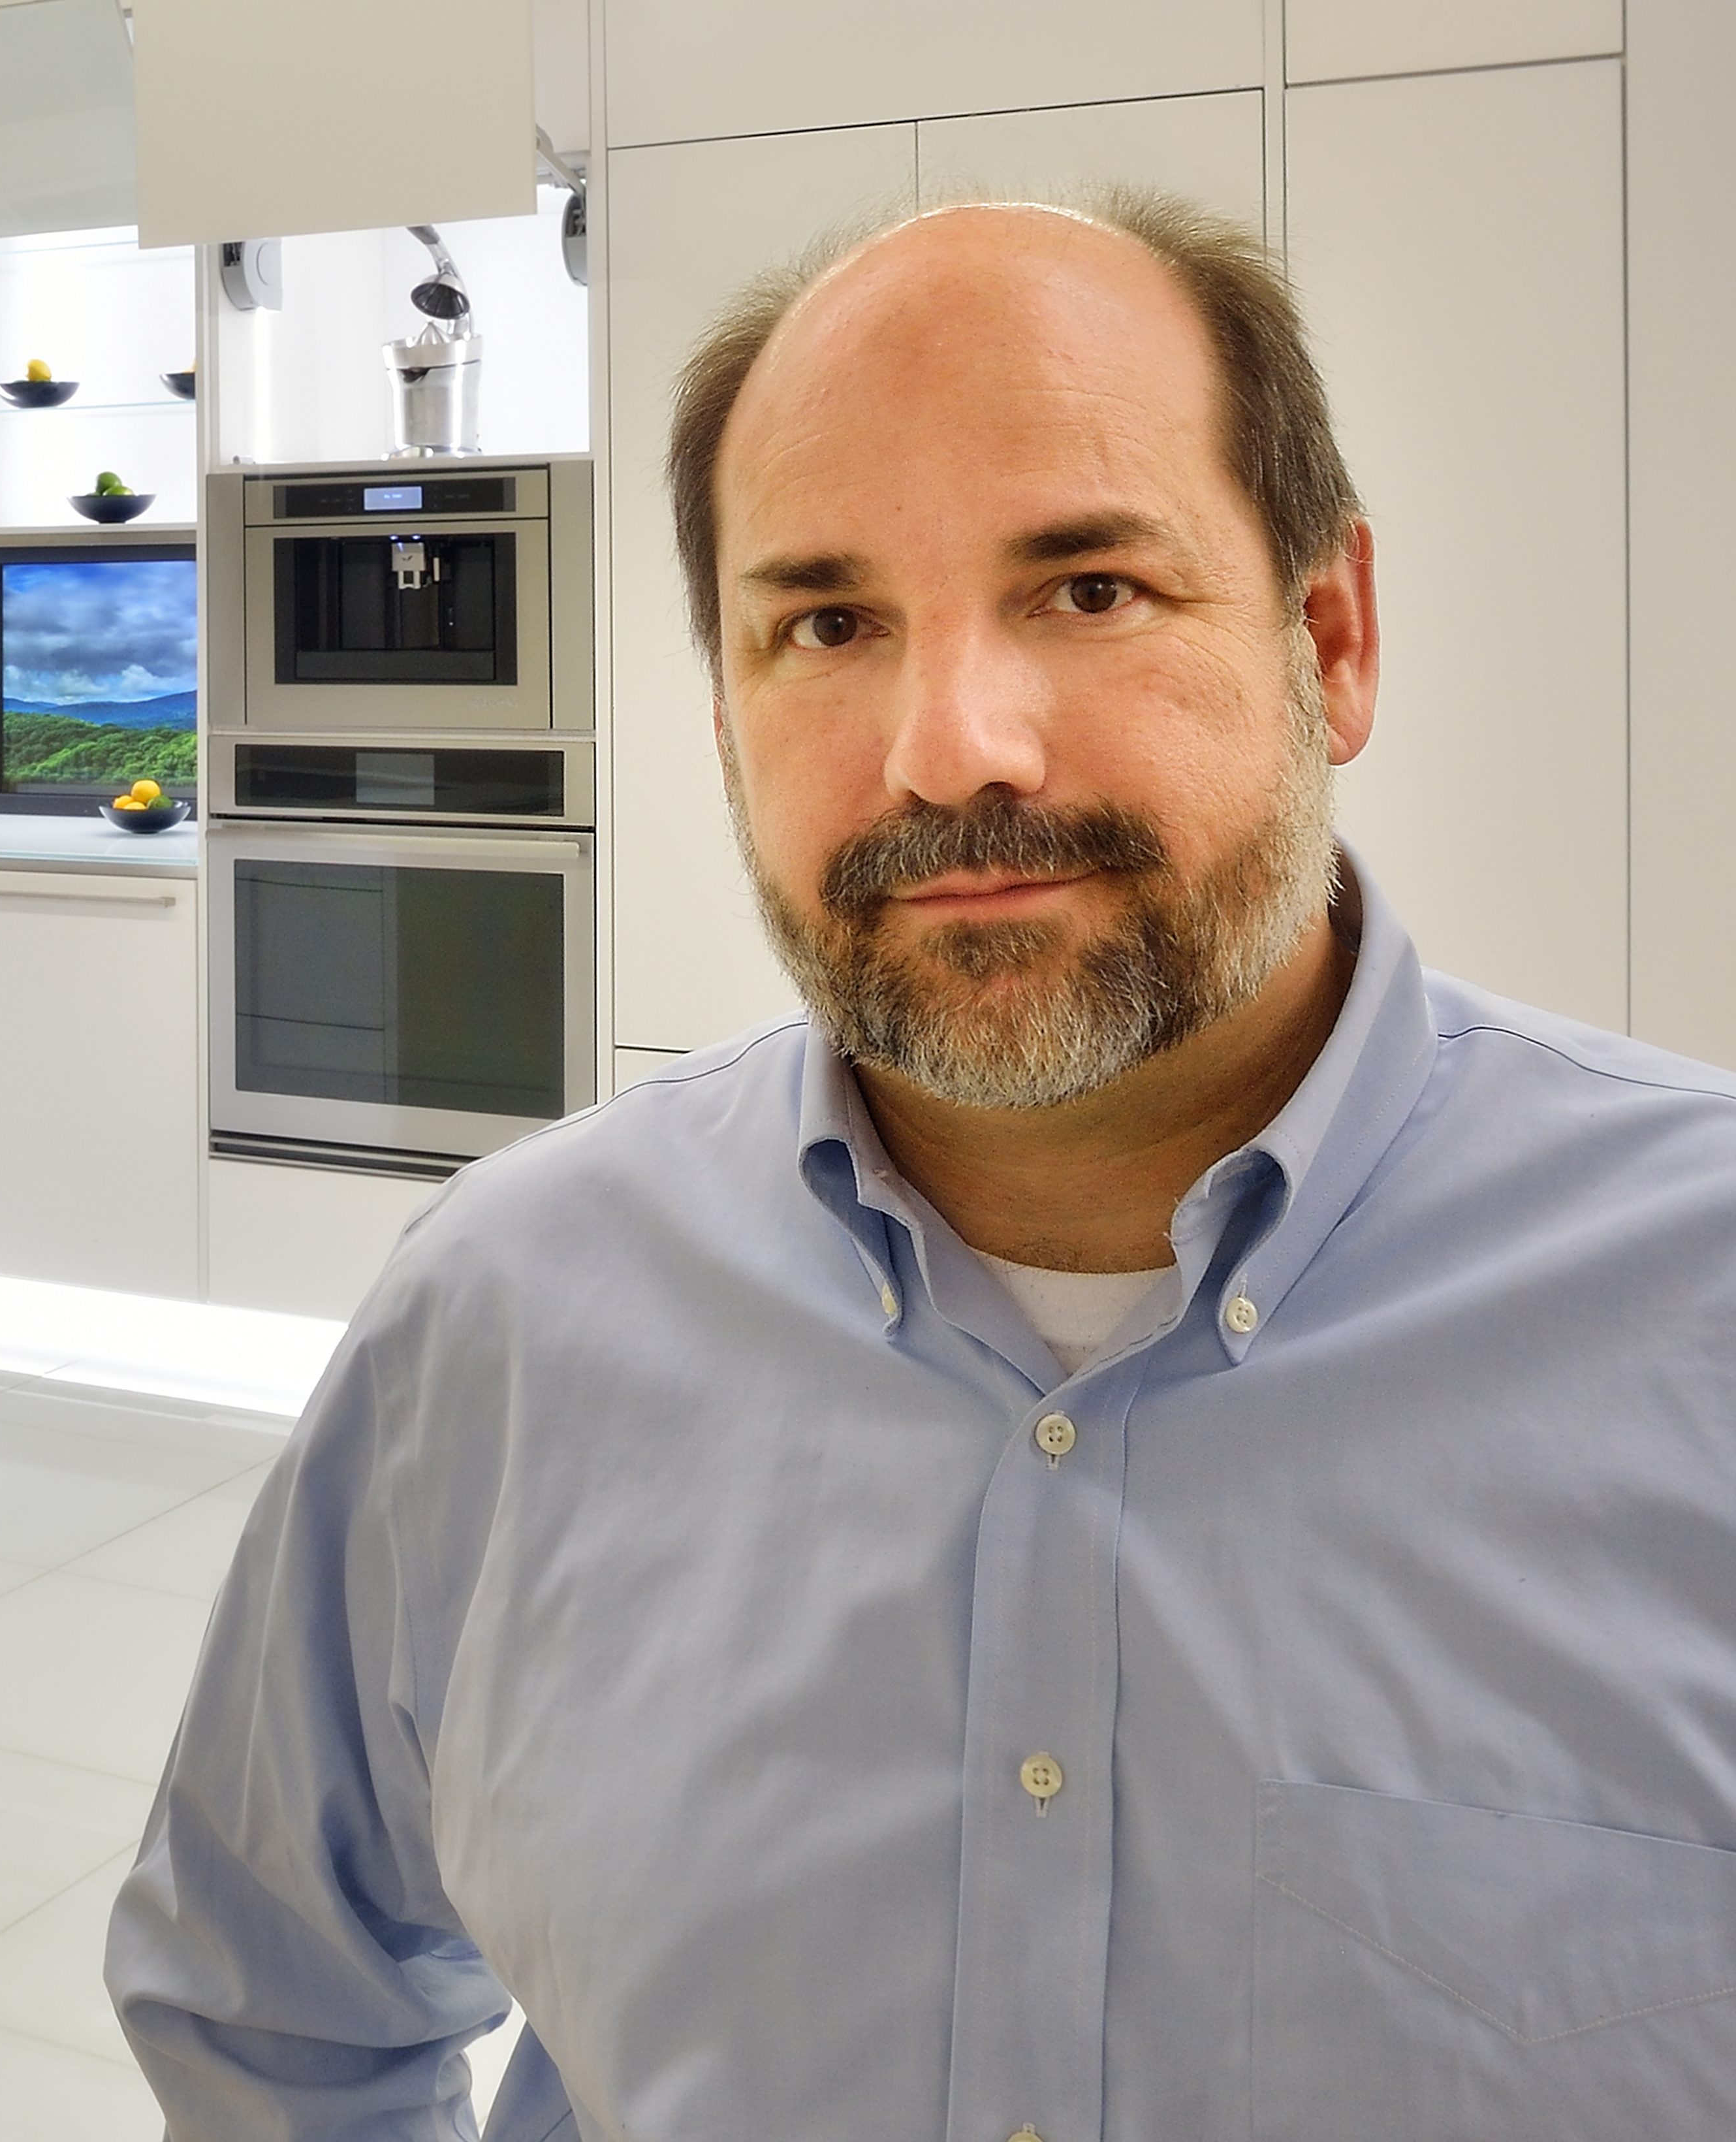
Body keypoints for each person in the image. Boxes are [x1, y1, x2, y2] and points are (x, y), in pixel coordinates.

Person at [107, 190, 1736, 2139]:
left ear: (1332, 636)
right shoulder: (503, 1313)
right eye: (828, 624)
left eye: (1090, 588)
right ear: (724, 716)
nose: (950, 751)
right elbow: (265, 2008)